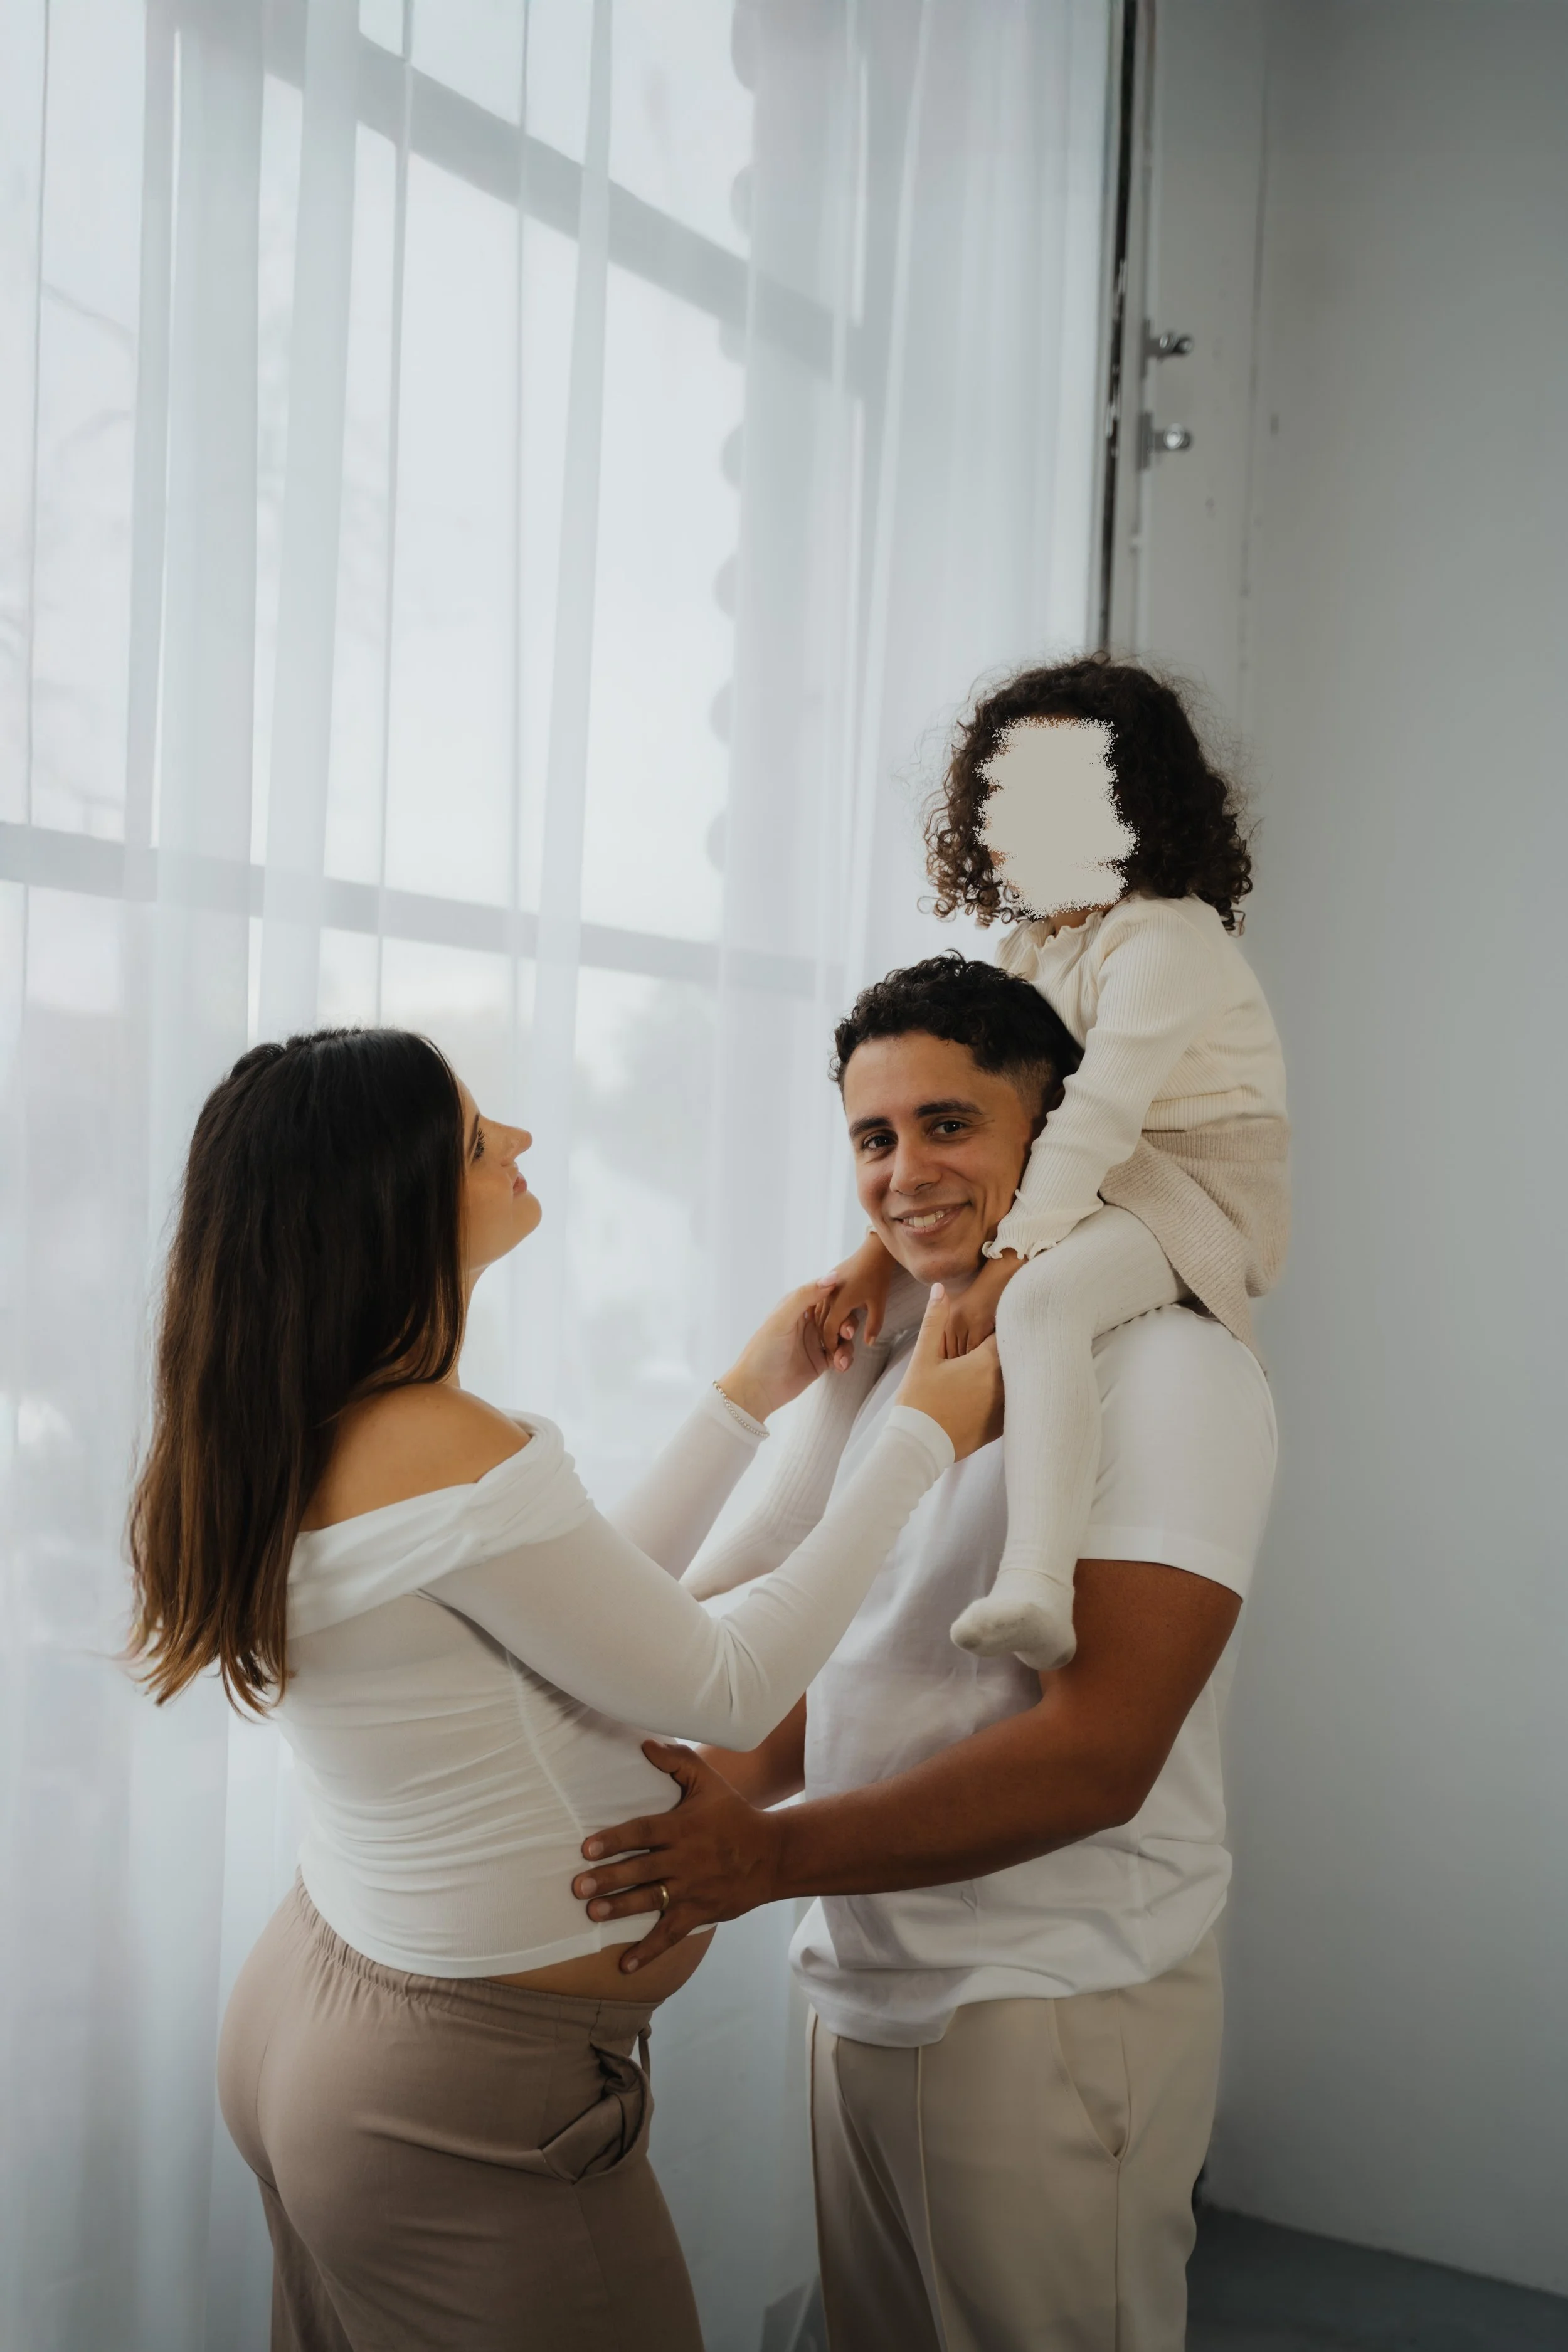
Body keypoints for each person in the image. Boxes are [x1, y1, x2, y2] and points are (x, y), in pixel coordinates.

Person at [125, 1025, 999, 2351]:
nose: (521, 1146)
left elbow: (582, 1612)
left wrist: (748, 1395)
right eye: (480, 1142)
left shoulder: (292, 1423)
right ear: (393, 1208)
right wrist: (922, 1435)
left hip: (322, 2016)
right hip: (453, 2093)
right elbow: (721, 1680)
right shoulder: (429, 1436)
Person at [571, 955, 1279, 2352]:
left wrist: (765, 1861)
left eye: (947, 1125)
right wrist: (664, 1825)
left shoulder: (1169, 1370)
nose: (903, 1173)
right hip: (857, 1976)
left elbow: (1098, 1758)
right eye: (871, 1137)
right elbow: (826, 1667)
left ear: (1054, 1134)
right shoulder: (895, 1356)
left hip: (1051, 2004)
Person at [817, 654, 1288, 1670]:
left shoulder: (1166, 937)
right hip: (1095, 1168)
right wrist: (875, 1256)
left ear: (1136, 807)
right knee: (863, 1324)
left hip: (1189, 1183)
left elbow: (1100, 1112)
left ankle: (1035, 1583)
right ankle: (766, 1566)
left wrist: (1010, 1261)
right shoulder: (1033, 952)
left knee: (1035, 1307)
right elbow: (1008, 1109)